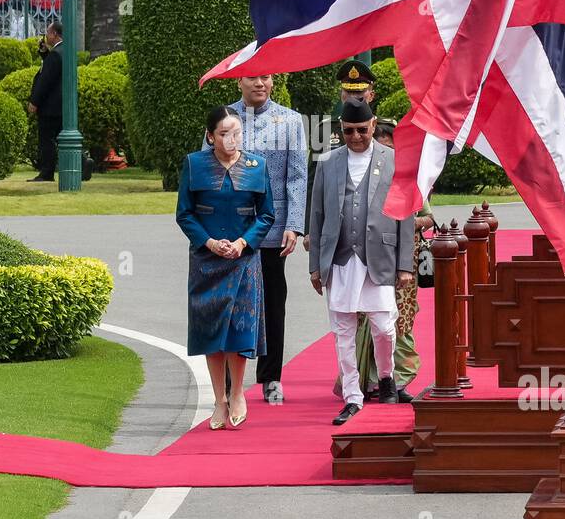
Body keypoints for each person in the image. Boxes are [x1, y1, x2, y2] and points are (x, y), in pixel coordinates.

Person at [307, 96, 415, 426]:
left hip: (378, 257)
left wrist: (405, 264)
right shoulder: (327, 163)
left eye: (362, 130)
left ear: (373, 125)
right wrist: (314, 264)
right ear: (341, 129)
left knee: (384, 327)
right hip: (338, 259)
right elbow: (317, 214)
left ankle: (386, 377)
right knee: (343, 331)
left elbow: (405, 213)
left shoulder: (394, 160)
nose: (356, 137)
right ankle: (353, 395)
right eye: (349, 130)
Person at [204, 74, 307, 404]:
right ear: (239, 83)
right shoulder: (224, 119)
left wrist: (294, 223)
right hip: (231, 229)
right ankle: (232, 381)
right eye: (252, 78)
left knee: (272, 303)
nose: (259, 83)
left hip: (273, 229)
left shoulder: (290, 121)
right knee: (232, 304)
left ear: (273, 81)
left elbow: (297, 176)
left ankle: (271, 376)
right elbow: (206, 171)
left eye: (265, 77)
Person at [177, 107, 275, 430]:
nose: (231, 140)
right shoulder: (194, 165)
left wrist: (243, 243)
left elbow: (266, 215)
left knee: (239, 328)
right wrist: (209, 243)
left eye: (236, 133)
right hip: (207, 261)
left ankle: (238, 394)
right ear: (210, 136)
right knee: (211, 329)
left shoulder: (257, 167)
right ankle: (219, 399)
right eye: (223, 134)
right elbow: (185, 214)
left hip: (244, 260)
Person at [353, 118, 431, 403]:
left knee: (401, 320)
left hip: (404, 258)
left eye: (390, 147)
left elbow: (428, 215)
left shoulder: (407, 177)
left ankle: (398, 382)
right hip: (370, 256)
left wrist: (402, 222)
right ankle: (371, 382)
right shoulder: (361, 177)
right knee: (369, 318)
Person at [305, 59, 376, 246]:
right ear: (341, 94)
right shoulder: (324, 131)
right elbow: (313, 183)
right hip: (334, 224)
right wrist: (309, 230)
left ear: (371, 95)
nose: (353, 96)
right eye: (349, 91)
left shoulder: (387, 130)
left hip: (375, 225)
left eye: (359, 92)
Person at [27, 20, 64, 182]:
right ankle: (83, 163)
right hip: (61, 106)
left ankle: (47, 173)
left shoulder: (56, 54)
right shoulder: (62, 51)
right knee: (60, 138)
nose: (46, 36)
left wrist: (34, 101)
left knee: (47, 140)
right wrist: (44, 54)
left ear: (54, 34)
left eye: (48, 33)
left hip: (50, 107)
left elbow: (45, 81)